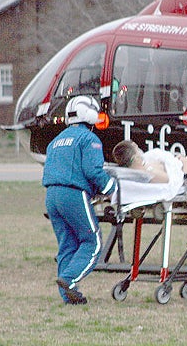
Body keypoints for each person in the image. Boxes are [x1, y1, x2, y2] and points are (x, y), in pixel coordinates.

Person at [42, 96, 116, 305]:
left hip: (52, 195)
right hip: (73, 194)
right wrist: (112, 189)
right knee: (92, 241)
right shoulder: (89, 139)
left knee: (67, 244)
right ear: (89, 114)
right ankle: (70, 279)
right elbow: (92, 172)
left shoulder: (56, 141)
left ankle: (68, 297)